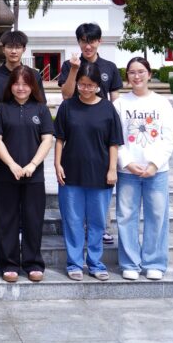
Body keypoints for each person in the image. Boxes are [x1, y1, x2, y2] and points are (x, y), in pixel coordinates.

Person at [53, 60, 123, 281]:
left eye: (90, 85)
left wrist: (113, 169)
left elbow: (114, 142)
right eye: (82, 84)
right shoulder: (67, 106)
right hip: (71, 172)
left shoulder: (107, 108)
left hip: (100, 173)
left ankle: (95, 263)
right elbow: (59, 139)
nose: (85, 89)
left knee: (96, 222)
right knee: (72, 220)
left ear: (97, 86)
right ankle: (74, 263)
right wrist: (57, 164)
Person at [57, 22, 122, 247]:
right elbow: (66, 95)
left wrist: (116, 129)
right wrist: (74, 70)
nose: (88, 45)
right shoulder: (69, 65)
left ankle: (102, 227)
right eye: (84, 41)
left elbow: (116, 100)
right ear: (79, 42)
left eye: (92, 40)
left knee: (102, 182)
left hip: (101, 128)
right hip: (77, 125)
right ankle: (76, 230)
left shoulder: (110, 67)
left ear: (99, 41)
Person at [114, 57, 173, 281]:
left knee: (157, 216)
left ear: (149, 74)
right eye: (132, 72)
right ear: (127, 76)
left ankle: (154, 262)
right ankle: (130, 263)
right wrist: (127, 162)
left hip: (156, 172)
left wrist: (154, 164)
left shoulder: (162, 104)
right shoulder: (120, 104)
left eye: (141, 72)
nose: (137, 76)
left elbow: (169, 138)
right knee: (126, 216)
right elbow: (115, 139)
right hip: (128, 171)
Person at [0, 67, 54, 282]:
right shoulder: (2, 109)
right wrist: (12, 165)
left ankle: (33, 263)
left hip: (33, 176)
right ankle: (8, 263)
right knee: (6, 220)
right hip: (6, 175)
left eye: (25, 84)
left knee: (33, 220)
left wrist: (32, 164)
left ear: (32, 86)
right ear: (10, 85)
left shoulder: (41, 109)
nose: (21, 88)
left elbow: (47, 139)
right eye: (16, 84)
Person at [0, 30, 41, 107]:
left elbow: (40, 104)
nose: (13, 51)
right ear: (3, 49)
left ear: (24, 49)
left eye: (18, 47)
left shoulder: (34, 75)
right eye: (9, 47)